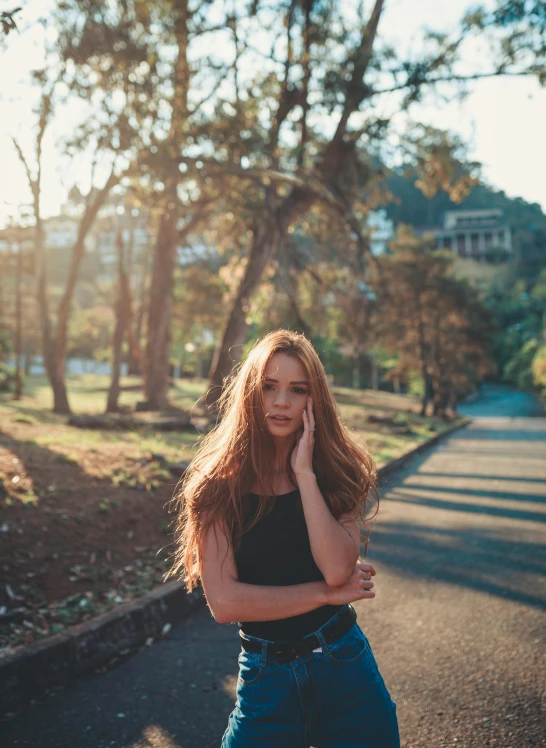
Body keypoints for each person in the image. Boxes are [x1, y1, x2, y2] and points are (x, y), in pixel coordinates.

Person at [167, 330, 400, 747]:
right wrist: (325, 595)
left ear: (315, 399)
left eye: (297, 390)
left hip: (345, 672)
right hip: (264, 681)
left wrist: (305, 476)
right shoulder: (214, 489)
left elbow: (336, 568)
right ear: (250, 394)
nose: (280, 402)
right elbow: (225, 602)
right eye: (269, 387)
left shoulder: (338, 474)